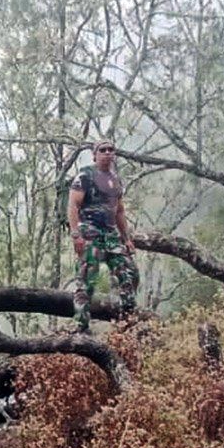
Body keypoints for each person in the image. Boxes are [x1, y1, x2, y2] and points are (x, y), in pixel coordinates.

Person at [67, 139, 139, 329]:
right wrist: (76, 235)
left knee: (128, 275)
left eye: (111, 150)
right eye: (103, 150)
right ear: (95, 154)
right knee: (86, 282)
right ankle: (81, 327)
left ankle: (127, 324)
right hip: (89, 233)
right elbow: (73, 205)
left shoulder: (116, 179)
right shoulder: (85, 175)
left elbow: (120, 212)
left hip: (111, 235)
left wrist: (127, 239)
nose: (107, 153)